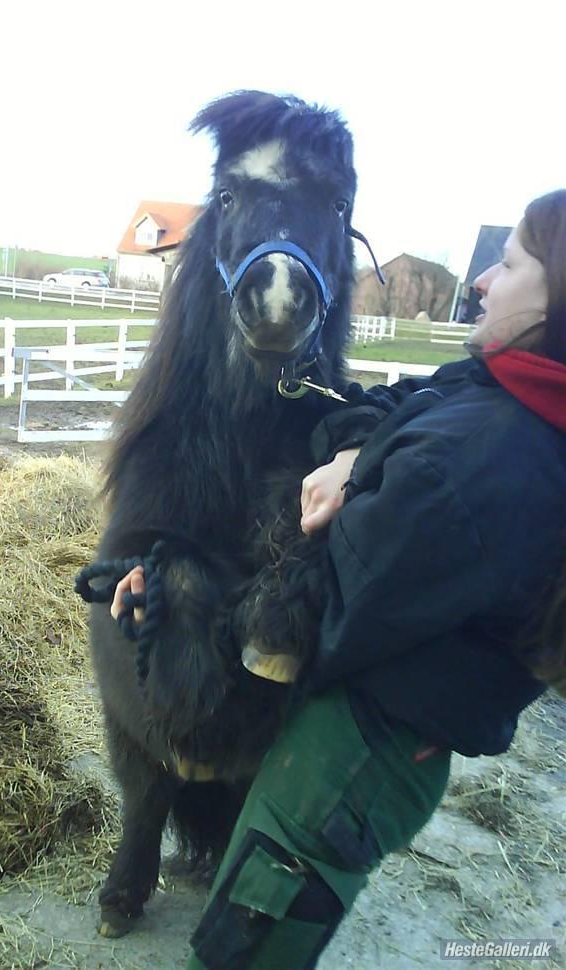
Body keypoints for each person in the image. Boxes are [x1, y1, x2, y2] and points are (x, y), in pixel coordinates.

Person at [110, 190, 566, 969]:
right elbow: (387, 404)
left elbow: (332, 612)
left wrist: (186, 597)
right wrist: (357, 454)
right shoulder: (494, 388)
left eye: (512, 262)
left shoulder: (484, 463)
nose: (484, 279)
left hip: (357, 756)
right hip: (374, 733)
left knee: (242, 949)